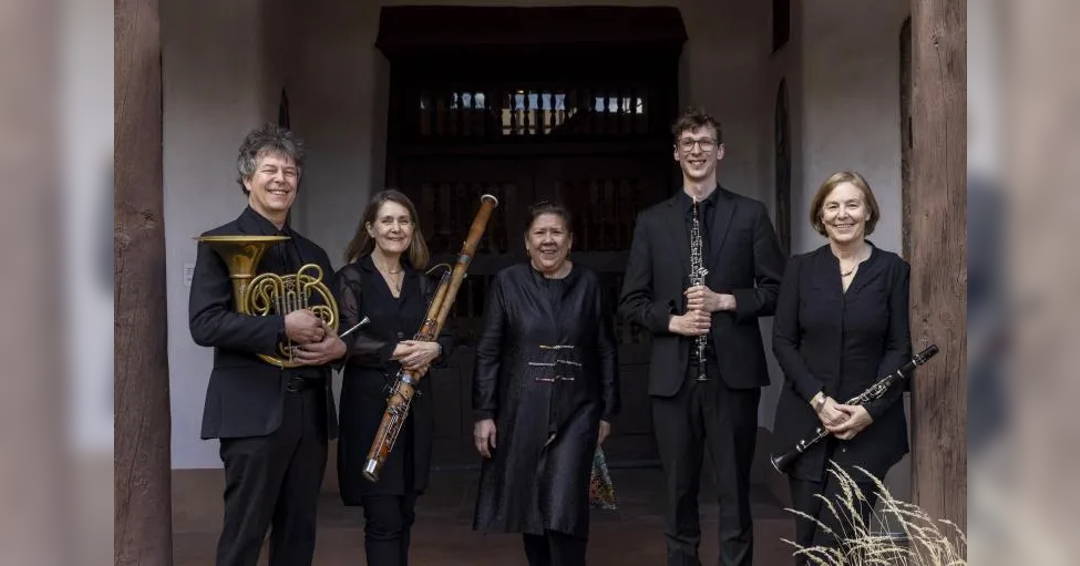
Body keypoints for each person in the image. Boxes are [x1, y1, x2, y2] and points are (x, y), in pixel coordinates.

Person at [618, 108, 785, 566]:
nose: (696, 151)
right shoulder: (652, 222)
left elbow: (777, 290)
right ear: (676, 153)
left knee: (734, 491)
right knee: (677, 492)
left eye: (705, 142)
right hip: (674, 379)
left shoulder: (750, 215)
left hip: (733, 377)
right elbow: (631, 301)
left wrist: (725, 301)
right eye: (688, 143)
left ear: (720, 152)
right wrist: (674, 322)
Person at [189, 123, 346, 566]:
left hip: (308, 413)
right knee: (244, 535)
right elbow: (204, 325)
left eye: (290, 171)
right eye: (270, 170)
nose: (281, 179)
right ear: (247, 179)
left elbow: (333, 324)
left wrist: (337, 347)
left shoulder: (313, 253)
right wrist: (281, 325)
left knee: (299, 535)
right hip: (252, 412)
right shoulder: (218, 244)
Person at [771, 171, 911, 559]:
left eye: (852, 204)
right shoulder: (800, 269)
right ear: (820, 216)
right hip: (807, 422)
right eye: (832, 206)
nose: (842, 214)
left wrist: (870, 410)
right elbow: (783, 341)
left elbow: (899, 348)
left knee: (833, 543)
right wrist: (817, 399)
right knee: (809, 542)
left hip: (869, 430)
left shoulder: (893, 270)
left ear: (868, 212)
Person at [473, 202, 620, 566]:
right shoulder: (508, 282)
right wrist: (484, 412)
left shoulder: (589, 283)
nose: (548, 240)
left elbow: (605, 348)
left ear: (570, 241)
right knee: (532, 510)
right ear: (527, 241)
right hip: (521, 409)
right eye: (540, 233)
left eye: (557, 233)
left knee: (565, 507)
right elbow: (489, 350)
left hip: (579, 410)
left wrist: (607, 410)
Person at [335, 189, 450, 566]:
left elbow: (449, 334)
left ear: (412, 228)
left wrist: (436, 349)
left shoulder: (423, 283)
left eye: (403, 220)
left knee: (404, 515)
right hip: (370, 411)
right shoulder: (352, 278)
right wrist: (397, 349)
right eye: (387, 220)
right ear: (370, 227)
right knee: (382, 519)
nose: (395, 228)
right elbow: (345, 339)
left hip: (415, 413)